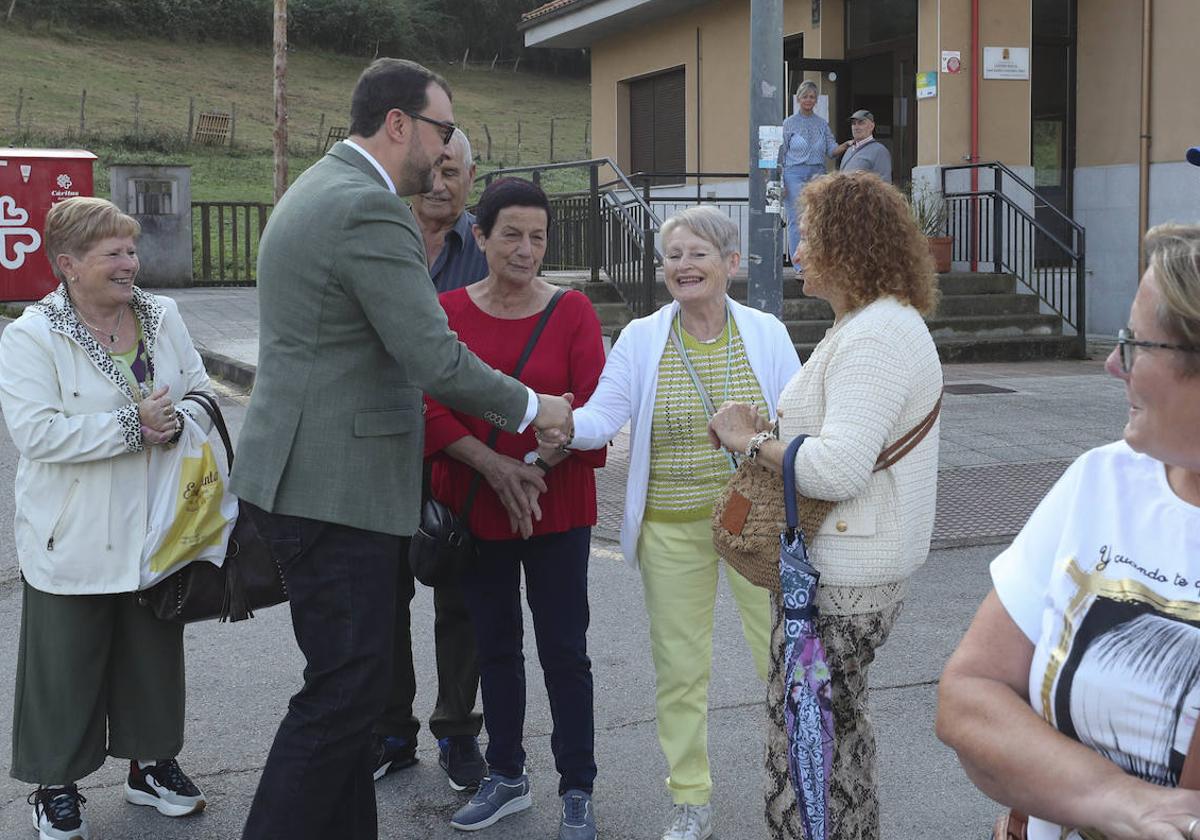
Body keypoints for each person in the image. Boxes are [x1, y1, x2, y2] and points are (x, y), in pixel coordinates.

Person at [228, 58, 574, 840]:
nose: (446, 149)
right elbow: (433, 355)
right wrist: (536, 406)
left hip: (304, 478)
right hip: (334, 486)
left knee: (350, 690)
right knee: (344, 694)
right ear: (398, 124)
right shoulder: (369, 208)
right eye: (442, 129)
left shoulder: (317, 189)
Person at [936, 224, 1200, 840]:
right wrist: (1122, 802)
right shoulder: (1103, 479)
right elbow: (969, 694)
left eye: (1134, 345)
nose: (1112, 364)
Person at [708, 172, 943, 840]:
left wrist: (750, 440)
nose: (797, 250)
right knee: (836, 738)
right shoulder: (873, 325)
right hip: (850, 574)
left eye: (808, 237)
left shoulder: (874, 335)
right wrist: (771, 439)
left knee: (804, 749)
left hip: (843, 584)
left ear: (848, 244)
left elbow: (836, 467)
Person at [568, 205, 800, 840]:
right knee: (679, 668)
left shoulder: (767, 333)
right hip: (670, 527)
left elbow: (803, 419)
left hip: (757, 525)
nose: (683, 265)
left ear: (730, 264)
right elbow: (599, 417)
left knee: (781, 658)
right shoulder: (643, 336)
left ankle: (807, 782)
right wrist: (546, 415)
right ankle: (690, 799)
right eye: (673, 255)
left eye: (698, 253)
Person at [0, 196, 213, 840]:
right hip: (73, 530)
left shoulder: (162, 313)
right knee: (64, 665)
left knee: (152, 652)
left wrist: (179, 421)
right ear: (68, 264)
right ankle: (54, 786)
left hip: (157, 522)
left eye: (132, 250)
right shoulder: (33, 335)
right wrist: (130, 427)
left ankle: (150, 767)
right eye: (114, 254)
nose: (131, 265)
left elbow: (200, 387)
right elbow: (36, 434)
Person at [422, 177, 606, 840]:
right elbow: (429, 403)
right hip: (477, 506)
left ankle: (577, 787)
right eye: (511, 235)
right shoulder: (444, 311)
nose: (526, 250)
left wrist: (531, 470)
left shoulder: (574, 311)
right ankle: (505, 774)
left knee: (565, 650)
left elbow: (592, 407)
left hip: (555, 508)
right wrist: (494, 467)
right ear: (480, 236)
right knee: (494, 646)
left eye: (538, 237)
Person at [371, 127, 491, 792]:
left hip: (460, 450)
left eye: (455, 172)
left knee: (460, 595)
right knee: (382, 594)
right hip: (384, 444)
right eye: (433, 169)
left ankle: (457, 731)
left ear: (472, 178)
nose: (441, 184)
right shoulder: (383, 238)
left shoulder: (487, 246)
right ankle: (389, 728)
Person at [409, 127, 489, 293]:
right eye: (427, 172)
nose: (436, 186)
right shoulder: (378, 239)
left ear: (471, 175)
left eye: (449, 173)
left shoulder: (492, 250)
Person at [779, 80, 850, 261]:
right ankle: (799, 264)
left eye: (812, 97)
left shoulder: (822, 124)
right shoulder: (789, 123)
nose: (808, 100)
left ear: (816, 100)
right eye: (805, 97)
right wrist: (780, 182)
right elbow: (781, 154)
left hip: (818, 173)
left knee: (818, 219)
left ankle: (816, 262)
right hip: (793, 174)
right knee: (797, 219)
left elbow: (832, 151)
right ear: (798, 99)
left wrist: (849, 144)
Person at [838, 110, 892, 183]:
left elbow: (885, 184)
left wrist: (865, 180)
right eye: (854, 124)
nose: (856, 127)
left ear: (871, 126)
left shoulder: (880, 151)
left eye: (861, 123)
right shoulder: (849, 149)